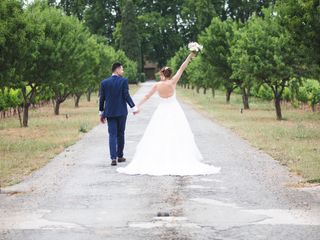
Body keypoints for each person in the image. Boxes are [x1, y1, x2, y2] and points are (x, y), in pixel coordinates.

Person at [117, 53, 221, 175]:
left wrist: (137, 106)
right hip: (174, 110)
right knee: (177, 133)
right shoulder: (173, 82)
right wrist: (189, 57)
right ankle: (178, 156)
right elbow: (182, 68)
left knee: (159, 133)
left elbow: (147, 96)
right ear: (169, 74)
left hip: (162, 111)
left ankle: (160, 157)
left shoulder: (157, 85)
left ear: (162, 74)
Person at [99, 62, 139, 166]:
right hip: (121, 112)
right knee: (121, 134)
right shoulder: (124, 81)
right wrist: (133, 108)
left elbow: (102, 99)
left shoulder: (104, 82)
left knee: (112, 135)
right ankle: (120, 156)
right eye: (121, 69)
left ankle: (113, 158)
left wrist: (101, 113)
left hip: (110, 113)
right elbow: (126, 95)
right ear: (116, 70)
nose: (123, 71)